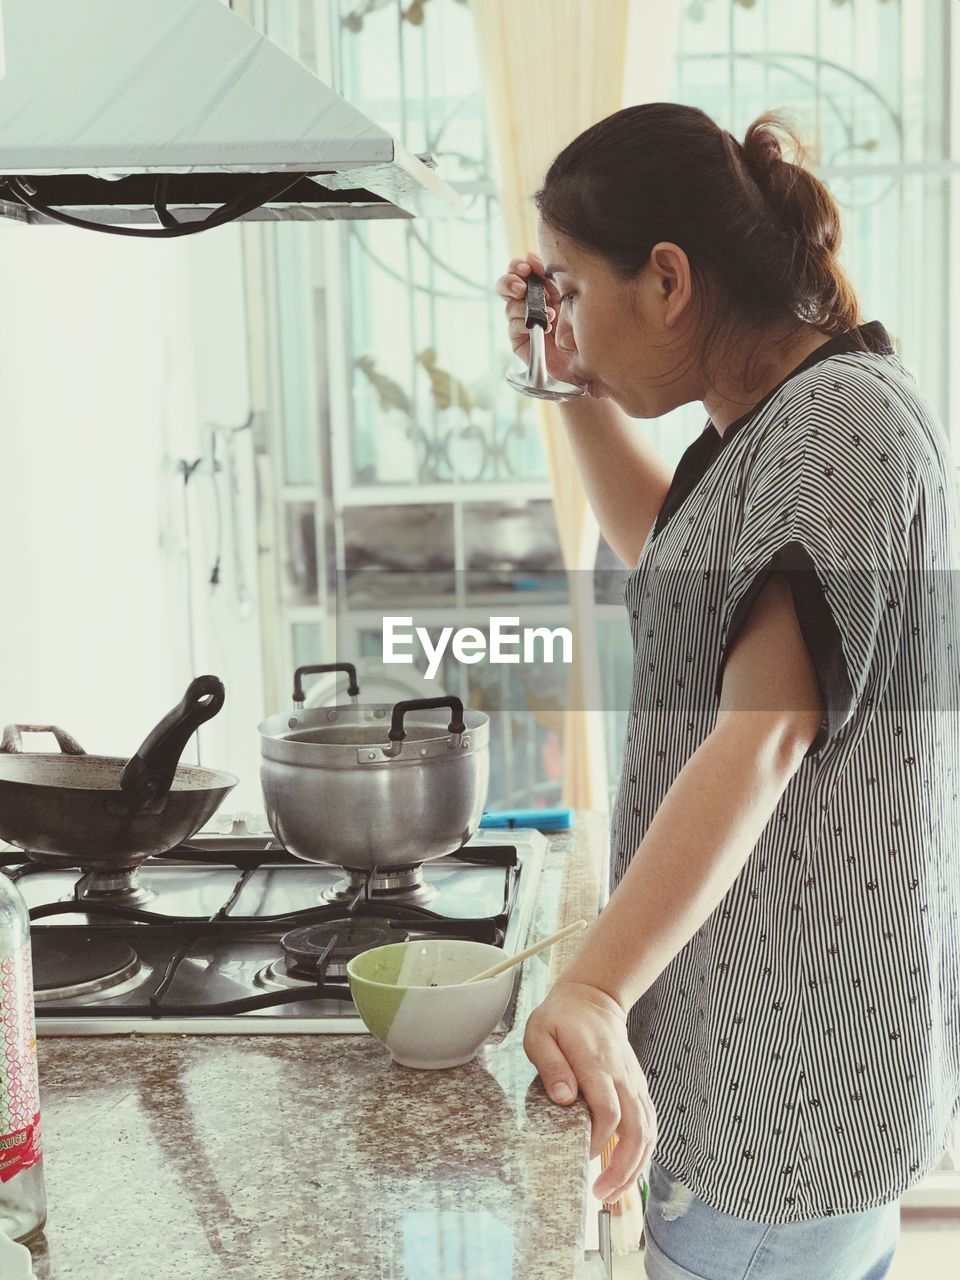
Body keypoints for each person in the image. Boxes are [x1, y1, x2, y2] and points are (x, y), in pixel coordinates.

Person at [497, 102, 960, 1280]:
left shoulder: (833, 427)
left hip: (779, 1083)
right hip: (784, 1070)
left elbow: (764, 731)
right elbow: (679, 560)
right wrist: (571, 383)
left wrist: (597, 984)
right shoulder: (784, 421)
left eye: (574, 287)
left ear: (666, 279)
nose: (568, 319)